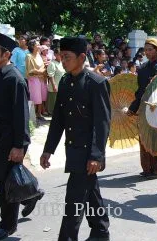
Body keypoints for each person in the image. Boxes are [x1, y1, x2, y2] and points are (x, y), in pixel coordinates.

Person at [40, 37, 111, 241]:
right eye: (61, 57)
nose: (63, 61)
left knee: (74, 200)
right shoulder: (65, 81)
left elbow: (102, 123)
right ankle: (100, 230)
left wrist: (96, 156)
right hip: (73, 149)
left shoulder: (96, 83)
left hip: (89, 153)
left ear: (81, 57)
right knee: (90, 194)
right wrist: (48, 149)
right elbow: (59, 120)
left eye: (67, 57)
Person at [0, 32, 43, 241]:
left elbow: (21, 115)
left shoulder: (15, 79)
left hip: (9, 135)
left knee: (5, 180)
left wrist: (19, 145)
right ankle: (28, 194)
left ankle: (7, 226)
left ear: (6, 55)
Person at [127, 38, 157, 179]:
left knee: (156, 137)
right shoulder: (143, 68)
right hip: (144, 106)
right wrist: (133, 107)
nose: (147, 52)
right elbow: (140, 91)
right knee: (144, 137)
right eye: (146, 49)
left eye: (150, 49)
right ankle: (147, 167)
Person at [25, 39, 48, 119]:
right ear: (32, 46)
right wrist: (41, 71)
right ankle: (32, 116)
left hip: (41, 78)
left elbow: (43, 67)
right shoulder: (29, 56)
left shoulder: (39, 55)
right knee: (34, 97)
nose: (39, 46)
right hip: (33, 79)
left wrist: (41, 71)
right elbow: (31, 71)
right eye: (37, 45)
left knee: (41, 96)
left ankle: (39, 114)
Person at [46, 48, 66, 115]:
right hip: (54, 85)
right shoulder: (52, 63)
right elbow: (51, 75)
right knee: (53, 101)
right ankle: (52, 114)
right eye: (60, 54)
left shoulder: (62, 62)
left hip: (62, 85)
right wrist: (54, 85)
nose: (61, 56)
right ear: (55, 54)